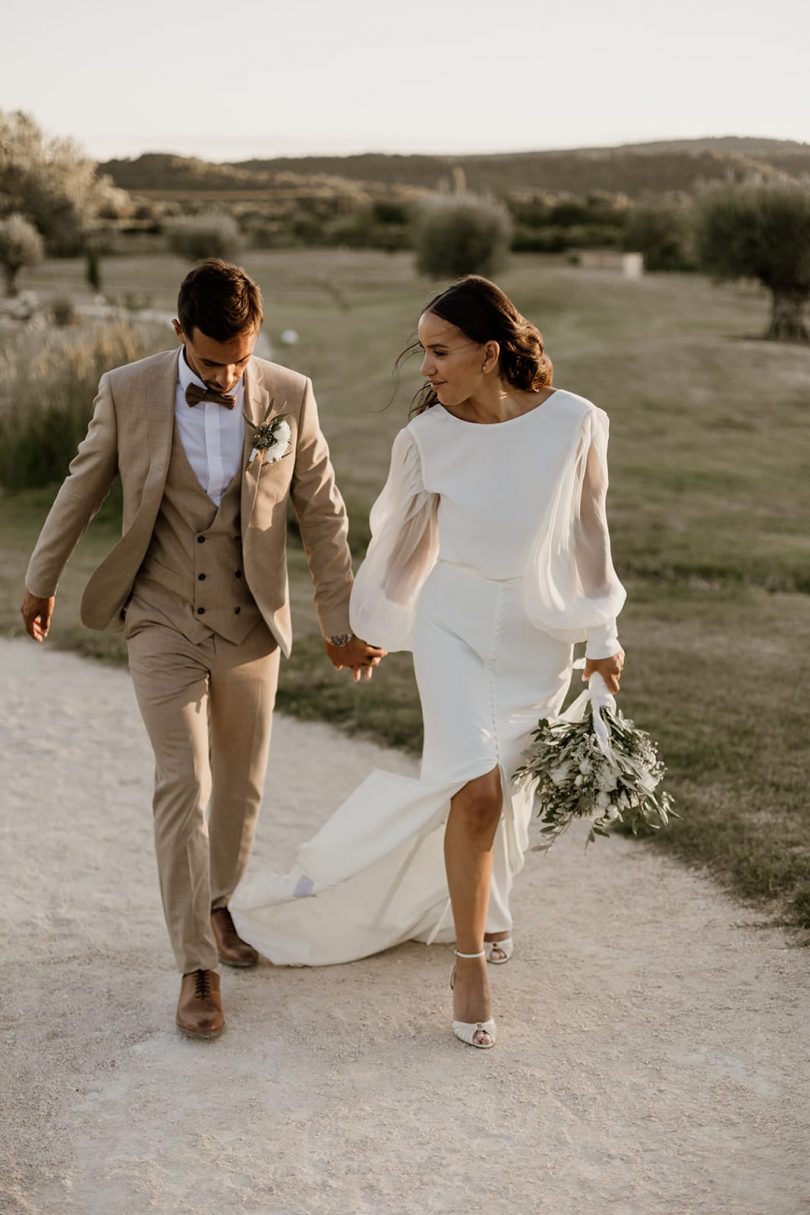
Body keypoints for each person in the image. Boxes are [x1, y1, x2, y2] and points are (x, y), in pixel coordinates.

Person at [232, 275, 626, 1049]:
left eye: (440, 352)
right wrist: (366, 624)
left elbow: (589, 534)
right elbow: (404, 543)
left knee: (510, 780)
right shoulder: (426, 439)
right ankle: (469, 959)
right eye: (422, 351)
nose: (426, 368)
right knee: (474, 787)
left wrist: (604, 637)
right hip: (454, 626)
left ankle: (490, 906)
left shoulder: (577, 422)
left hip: (536, 633)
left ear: (490, 353)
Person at [20, 259, 383, 1039]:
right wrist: (39, 579)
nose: (229, 373)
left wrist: (340, 621)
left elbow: (323, 514)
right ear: (179, 332)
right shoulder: (128, 389)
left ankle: (216, 901)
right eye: (214, 359)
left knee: (241, 789)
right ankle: (197, 965)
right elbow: (82, 485)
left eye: (241, 357)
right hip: (159, 615)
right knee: (183, 779)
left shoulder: (291, 394)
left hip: (252, 619)